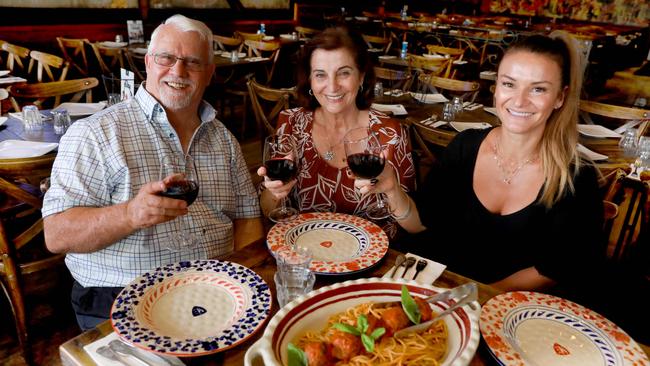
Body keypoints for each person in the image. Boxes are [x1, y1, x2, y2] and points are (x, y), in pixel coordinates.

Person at [42, 14, 262, 330]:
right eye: (166, 58)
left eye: (192, 62)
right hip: (124, 296)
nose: (178, 70)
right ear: (147, 62)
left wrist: (241, 280)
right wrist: (131, 214)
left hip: (216, 289)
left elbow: (247, 217)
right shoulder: (96, 133)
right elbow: (56, 234)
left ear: (210, 73)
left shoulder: (223, 138)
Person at [412, 31, 605, 291]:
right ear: (496, 88)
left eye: (538, 89)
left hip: (518, 313)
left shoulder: (576, 177)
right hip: (442, 296)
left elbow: (556, 267)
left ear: (560, 97)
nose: (519, 100)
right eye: (509, 84)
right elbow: (427, 221)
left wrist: (476, 297)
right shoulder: (464, 146)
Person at [257, 26, 423, 239]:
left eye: (344, 73)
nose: (332, 86)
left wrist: (393, 191)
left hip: (374, 261)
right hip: (306, 253)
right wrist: (275, 192)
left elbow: (416, 226)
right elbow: (268, 210)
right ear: (310, 80)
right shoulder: (291, 123)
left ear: (361, 76)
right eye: (320, 75)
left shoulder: (390, 133)